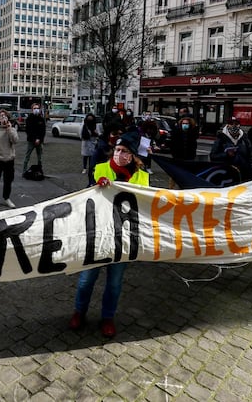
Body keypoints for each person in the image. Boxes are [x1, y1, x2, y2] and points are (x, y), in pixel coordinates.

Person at [69, 131, 150, 338]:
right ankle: (79, 312)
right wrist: (97, 186)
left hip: (122, 238)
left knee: (114, 283)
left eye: (123, 151)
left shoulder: (142, 177)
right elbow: (88, 195)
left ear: (132, 156)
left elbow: (145, 205)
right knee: (87, 279)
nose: (118, 154)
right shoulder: (101, 169)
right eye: (117, 150)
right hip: (98, 234)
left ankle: (107, 318)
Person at [0, 110, 19, 209]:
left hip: (9, 159)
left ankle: (6, 198)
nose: (3, 118)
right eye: (1, 116)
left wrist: (9, 129)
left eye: (4, 116)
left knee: (8, 180)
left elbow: (15, 140)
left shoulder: (12, 129)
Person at [210, 117, 252, 182]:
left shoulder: (245, 140)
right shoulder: (221, 139)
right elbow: (213, 156)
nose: (234, 126)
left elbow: (250, 158)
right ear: (227, 125)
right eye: (231, 124)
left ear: (239, 125)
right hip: (227, 174)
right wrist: (226, 154)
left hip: (243, 174)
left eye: (236, 124)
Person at [22, 103, 46, 175]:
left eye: (37, 108)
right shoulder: (29, 118)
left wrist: (39, 139)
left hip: (39, 141)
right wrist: (35, 139)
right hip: (31, 141)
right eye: (35, 108)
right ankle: (24, 170)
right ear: (32, 110)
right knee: (27, 156)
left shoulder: (41, 119)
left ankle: (40, 170)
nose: (36, 110)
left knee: (40, 157)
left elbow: (43, 130)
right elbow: (29, 130)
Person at [81, 113, 98, 179]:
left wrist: (95, 134)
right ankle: (84, 168)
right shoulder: (85, 126)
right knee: (85, 156)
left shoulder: (95, 126)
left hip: (92, 142)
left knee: (92, 157)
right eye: (89, 119)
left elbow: (98, 134)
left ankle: (91, 168)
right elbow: (81, 134)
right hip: (86, 142)